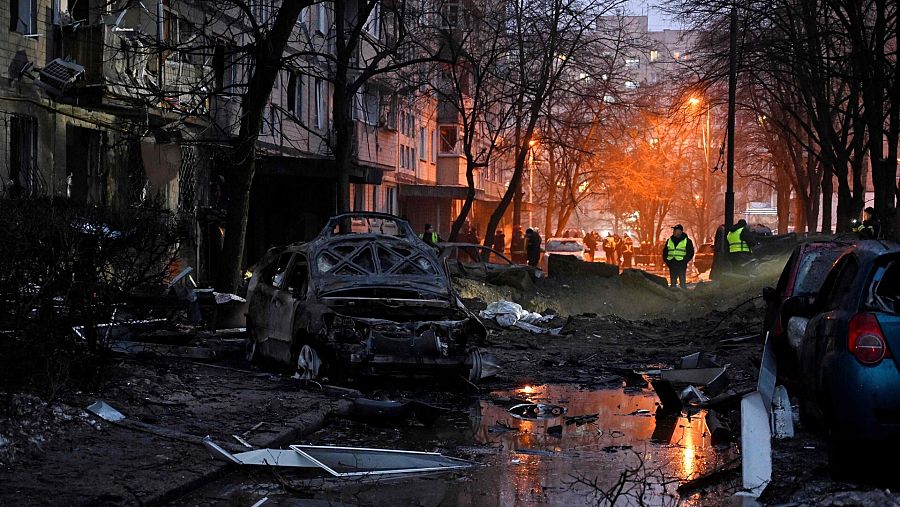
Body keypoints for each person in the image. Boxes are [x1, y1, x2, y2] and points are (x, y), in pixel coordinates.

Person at [662, 224, 695, 289]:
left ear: (680, 231)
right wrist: (667, 261)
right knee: (673, 284)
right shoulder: (669, 240)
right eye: (674, 230)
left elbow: (690, 252)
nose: (674, 231)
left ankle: (684, 296)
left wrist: (684, 260)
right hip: (672, 263)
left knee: (682, 284)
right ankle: (673, 296)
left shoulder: (687, 241)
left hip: (681, 264)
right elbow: (665, 251)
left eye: (675, 230)